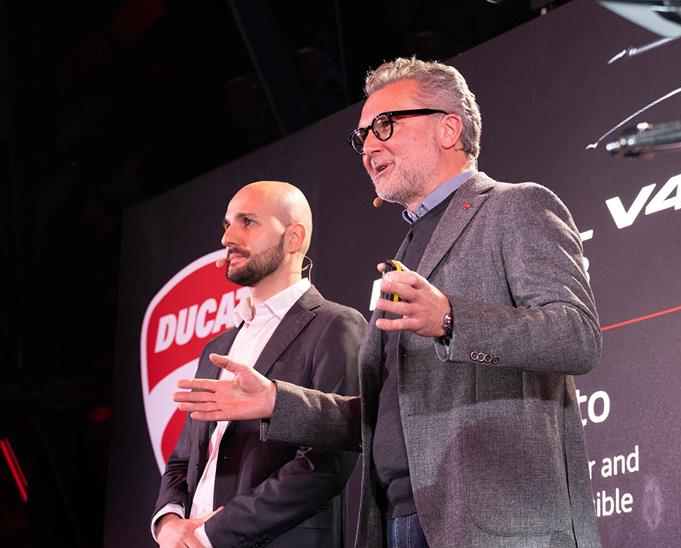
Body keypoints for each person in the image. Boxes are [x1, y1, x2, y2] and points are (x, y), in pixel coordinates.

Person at [175, 58, 602, 547]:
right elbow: (383, 414)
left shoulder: (515, 206)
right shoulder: (406, 250)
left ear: (447, 128)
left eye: (384, 125)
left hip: (496, 523)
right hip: (399, 519)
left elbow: (576, 336)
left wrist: (450, 319)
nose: (369, 146)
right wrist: (277, 401)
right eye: (362, 137)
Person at [152, 181, 366, 548]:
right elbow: (183, 458)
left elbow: (326, 462)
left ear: (293, 237)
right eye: (226, 224)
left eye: (247, 222)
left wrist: (209, 534)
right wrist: (170, 522)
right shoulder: (217, 347)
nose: (228, 238)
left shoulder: (336, 325)